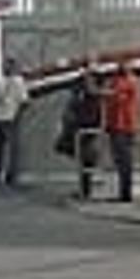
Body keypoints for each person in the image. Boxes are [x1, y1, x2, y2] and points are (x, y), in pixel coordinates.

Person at [57, 65, 104, 199]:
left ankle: (86, 189)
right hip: (79, 128)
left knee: (86, 157)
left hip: (88, 127)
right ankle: (85, 188)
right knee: (78, 154)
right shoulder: (80, 91)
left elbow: (95, 97)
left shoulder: (94, 94)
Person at [103, 59, 140, 203]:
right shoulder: (117, 80)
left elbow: (117, 97)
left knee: (125, 161)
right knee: (120, 161)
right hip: (116, 125)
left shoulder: (129, 81)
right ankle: (123, 192)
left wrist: (104, 92)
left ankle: (126, 193)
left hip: (124, 126)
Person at [0, 56, 27, 186]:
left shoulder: (19, 81)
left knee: (13, 148)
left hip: (12, 117)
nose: (5, 68)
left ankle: (12, 174)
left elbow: (24, 101)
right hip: (0, 116)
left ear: (13, 67)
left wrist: (17, 115)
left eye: (8, 65)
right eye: (4, 65)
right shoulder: (0, 81)